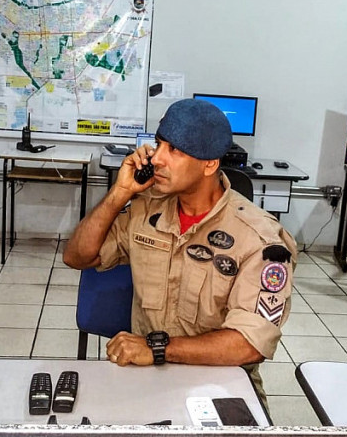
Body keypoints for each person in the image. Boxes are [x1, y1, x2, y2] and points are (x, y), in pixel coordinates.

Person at [63, 98, 296, 405]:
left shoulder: (260, 239)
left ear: (209, 164)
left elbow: (248, 345)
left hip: (221, 382)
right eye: (158, 145)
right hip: (147, 376)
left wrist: (158, 348)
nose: (156, 159)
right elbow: (77, 257)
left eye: (173, 150)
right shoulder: (145, 211)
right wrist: (119, 194)